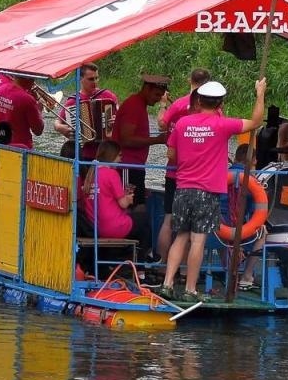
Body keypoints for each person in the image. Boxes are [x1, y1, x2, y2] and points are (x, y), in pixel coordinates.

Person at [160, 77, 268, 303]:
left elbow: (171, 154)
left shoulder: (182, 124)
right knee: (198, 241)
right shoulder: (223, 125)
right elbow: (256, 121)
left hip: (182, 189)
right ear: (220, 104)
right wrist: (260, 93)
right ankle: (190, 289)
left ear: (198, 101)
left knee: (180, 237)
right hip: (207, 191)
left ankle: (167, 284)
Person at [157, 67, 212, 263]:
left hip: (174, 170)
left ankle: (164, 264)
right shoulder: (213, 110)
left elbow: (162, 124)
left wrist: (163, 105)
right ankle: (183, 269)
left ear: (190, 80)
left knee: (168, 219)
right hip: (199, 174)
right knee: (191, 228)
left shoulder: (179, 104)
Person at [113, 75, 170, 213]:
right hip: (127, 165)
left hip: (135, 166)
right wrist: (157, 140)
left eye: (161, 95)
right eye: (156, 94)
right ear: (146, 88)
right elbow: (126, 139)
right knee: (133, 207)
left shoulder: (139, 104)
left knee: (138, 205)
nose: (158, 99)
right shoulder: (134, 105)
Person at [78, 140, 148, 245]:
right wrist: (129, 198)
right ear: (111, 155)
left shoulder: (91, 174)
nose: (121, 159)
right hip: (113, 226)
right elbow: (123, 204)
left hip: (95, 226)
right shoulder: (111, 174)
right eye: (119, 155)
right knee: (143, 219)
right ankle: (146, 256)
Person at [54, 62, 117, 160]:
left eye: (97, 78)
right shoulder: (73, 101)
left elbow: (123, 117)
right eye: (91, 79)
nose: (95, 82)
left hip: (107, 153)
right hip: (85, 154)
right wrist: (60, 128)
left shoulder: (108, 96)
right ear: (80, 79)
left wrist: (116, 120)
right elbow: (57, 122)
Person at [0, 75, 44, 149]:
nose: (34, 81)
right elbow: (38, 131)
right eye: (34, 78)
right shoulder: (27, 99)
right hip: (21, 150)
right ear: (29, 79)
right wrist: (39, 110)